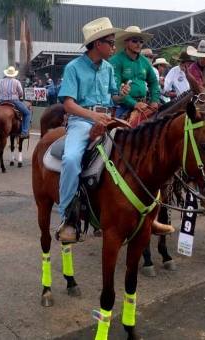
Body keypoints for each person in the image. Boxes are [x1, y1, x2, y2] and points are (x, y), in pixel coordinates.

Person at [57, 17, 166, 243]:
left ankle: (146, 213)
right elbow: (68, 104)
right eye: (110, 42)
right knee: (70, 159)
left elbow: (113, 96)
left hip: (108, 118)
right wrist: (92, 115)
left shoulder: (107, 67)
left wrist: (122, 93)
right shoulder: (73, 67)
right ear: (98, 44)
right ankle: (67, 217)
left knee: (137, 154)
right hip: (82, 120)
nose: (114, 47)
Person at [109, 26, 159, 119]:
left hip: (144, 104)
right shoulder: (116, 61)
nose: (138, 44)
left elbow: (153, 82)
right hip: (122, 106)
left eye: (141, 41)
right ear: (125, 42)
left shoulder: (145, 61)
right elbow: (116, 88)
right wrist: (134, 104)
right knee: (114, 129)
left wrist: (154, 100)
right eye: (134, 40)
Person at [0, 66, 32, 139]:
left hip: (2, 101)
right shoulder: (16, 82)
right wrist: (17, 96)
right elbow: (21, 93)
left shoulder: (1, 81)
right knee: (28, 113)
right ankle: (24, 132)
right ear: (14, 74)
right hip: (13, 101)